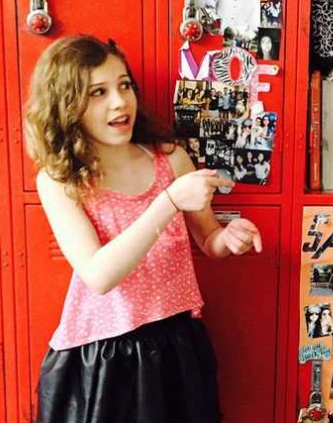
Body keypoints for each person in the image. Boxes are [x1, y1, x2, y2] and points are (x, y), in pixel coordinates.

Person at [25, 36, 263, 423]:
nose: (120, 102)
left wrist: (229, 238)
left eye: (124, 85)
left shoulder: (172, 160)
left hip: (176, 346)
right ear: (66, 105)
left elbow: (207, 239)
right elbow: (99, 276)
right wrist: (168, 202)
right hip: (104, 358)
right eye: (98, 93)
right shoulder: (60, 180)